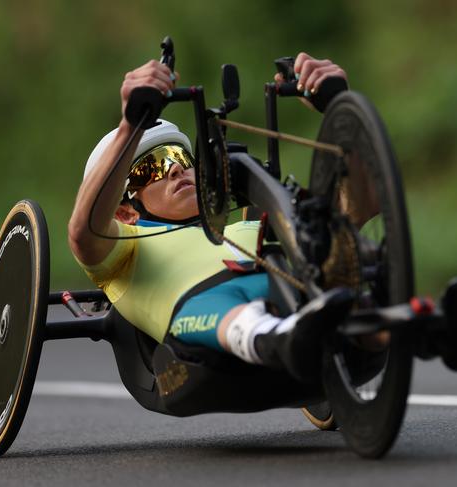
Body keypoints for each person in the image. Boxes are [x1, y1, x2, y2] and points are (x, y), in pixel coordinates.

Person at [68, 53, 352, 381]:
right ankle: (273, 337)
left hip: (288, 291)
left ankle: (389, 329)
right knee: (214, 306)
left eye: (178, 157)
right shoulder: (125, 248)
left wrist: (341, 110)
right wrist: (131, 124)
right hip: (204, 315)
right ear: (125, 211)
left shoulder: (254, 222)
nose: (174, 169)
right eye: (151, 168)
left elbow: (354, 212)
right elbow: (83, 232)